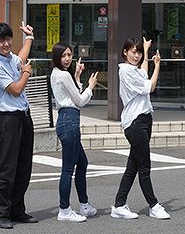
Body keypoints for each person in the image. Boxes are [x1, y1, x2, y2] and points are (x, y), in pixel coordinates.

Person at [0, 21, 39, 229]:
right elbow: (15, 89)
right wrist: (26, 73)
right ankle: (0, 214)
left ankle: (17, 210)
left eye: (8, 39)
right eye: (1, 41)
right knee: (7, 168)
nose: (6, 44)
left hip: (24, 116)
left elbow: (21, 57)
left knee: (24, 166)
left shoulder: (9, 59)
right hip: (9, 120)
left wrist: (29, 37)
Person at [111, 37, 171, 220]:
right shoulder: (126, 71)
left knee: (133, 166)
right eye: (133, 51)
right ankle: (154, 205)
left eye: (138, 52)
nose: (136, 55)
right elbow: (150, 86)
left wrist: (145, 51)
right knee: (144, 167)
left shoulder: (134, 70)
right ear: (125, 52)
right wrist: (158, 65)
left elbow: (144, 74)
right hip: (135, 123)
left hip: (143, 120)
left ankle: (119, 204)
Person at [50, 42, 99, 222]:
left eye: (69, 55)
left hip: (66, 120)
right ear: (56, 57)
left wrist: (77, 76)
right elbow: (79, 101)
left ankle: (84, 205)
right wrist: (91, 86)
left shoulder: (57, 74)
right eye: (63, 55)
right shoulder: (63, 75)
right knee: (67, 170)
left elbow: (71, 95)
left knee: (82, 163)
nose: (68, 58)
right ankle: (64, 209)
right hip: (69, 121)